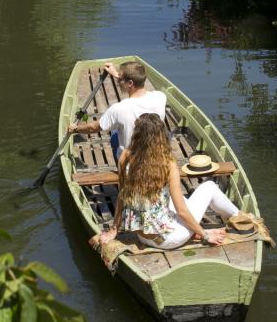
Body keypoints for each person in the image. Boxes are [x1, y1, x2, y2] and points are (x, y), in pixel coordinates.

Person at [98, 114, 238, 250]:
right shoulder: (168, 164)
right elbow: (182, 212)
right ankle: (239, 218)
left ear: (136, 134)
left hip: (143, 236)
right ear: (161, 136)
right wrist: (206, 236)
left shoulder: (125, 157)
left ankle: (193, 231)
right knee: (209, 187)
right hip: (170, 240)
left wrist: (113, 229)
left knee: (172, 197)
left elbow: (122, 196)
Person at [67, 60, 166, 160]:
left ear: (130, 83)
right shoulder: (161, 97)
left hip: (130, 167)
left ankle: (119, 166)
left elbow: (93, 128)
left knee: (115, 135)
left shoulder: (119, 109)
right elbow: (132, 83)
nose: (118, 82)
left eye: (120, 79)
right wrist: (117, 74)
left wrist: (75, 129)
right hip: (155, 159)